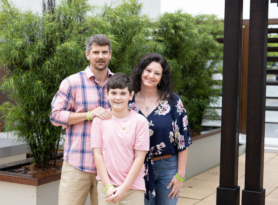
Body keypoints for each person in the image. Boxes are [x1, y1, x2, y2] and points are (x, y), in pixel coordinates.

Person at [50, 34, 114, 205]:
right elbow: (55, 116)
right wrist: (88, 115)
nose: (100, 56)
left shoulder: (118, 84)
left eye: (104, 52)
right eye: (96, 52)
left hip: (109, 168)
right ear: (87, 54)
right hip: (77, 164)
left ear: (110, 54)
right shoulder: (72, 82)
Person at [128, 53, 192, 205]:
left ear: (162, 77)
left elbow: (183, 139)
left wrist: (180, 175)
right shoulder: (128, 102)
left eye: (157, 73)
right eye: (148, 71)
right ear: (141, 71)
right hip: (138, 168)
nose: (151, 76)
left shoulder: (173, 101)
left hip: (168, 167)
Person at [91, 73, 149, 205]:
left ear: (131, 95)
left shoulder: (140, 122)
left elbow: (140, 158)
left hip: (133, 188)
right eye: (114, 93)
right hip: (107, 187)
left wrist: (124, 188)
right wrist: (108, 186)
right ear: (107, 94)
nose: (118, 98)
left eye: (123, 93)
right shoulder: (99, 120)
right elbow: (98, 154)